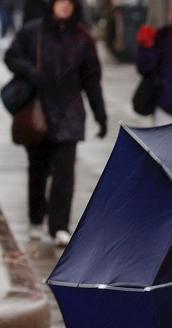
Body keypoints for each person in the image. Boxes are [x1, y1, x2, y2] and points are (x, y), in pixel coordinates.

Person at [4, 0, 107, 246]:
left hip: (69, 115)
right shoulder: (34, 30)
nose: (63, 6)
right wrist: (30, 71)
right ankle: (36, 219)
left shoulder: (83, 38)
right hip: (37, 114)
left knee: (64, 173)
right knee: (37, 170)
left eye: (68, 3)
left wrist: (100, 114)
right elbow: (11, 57)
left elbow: (92, 79)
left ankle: (59, 226)